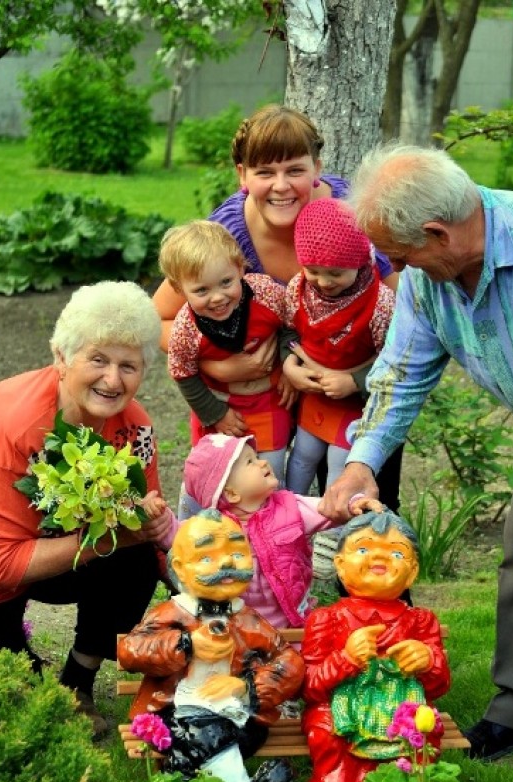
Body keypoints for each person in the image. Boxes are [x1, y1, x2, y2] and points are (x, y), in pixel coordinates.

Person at [320, 141, 513, 782]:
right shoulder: (431, 280)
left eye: (399, 256)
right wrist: (361, 462)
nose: (395, 269)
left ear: (437, 231)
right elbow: (399, 376)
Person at [0, 281, 177, 737]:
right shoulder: (14, 427)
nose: (113, 380)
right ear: (61, 357)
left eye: (128, 366)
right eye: (98, 359)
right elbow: (2, 565)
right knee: (14, 699)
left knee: (135, 559)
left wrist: (198, 594)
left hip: (58, 553)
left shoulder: (133, 426)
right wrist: (107, 539)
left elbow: (150, 531)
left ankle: (79, 680)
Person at [153, 102, 398, 376]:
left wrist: (356, 378)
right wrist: (217, 367)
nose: (281, 186)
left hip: (350, 382)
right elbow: (159, 318)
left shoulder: (356, 214)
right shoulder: (225, 234)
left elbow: (408, 311)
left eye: (294, 170)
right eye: (265, 172)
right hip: (259, 394)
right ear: (242, 174)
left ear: (316, 169)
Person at [117, 508, 305, 782]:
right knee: (199, 733)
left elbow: (290, 662)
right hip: (172, 715)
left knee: (207, 735)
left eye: (237, 552)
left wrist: (246, 686)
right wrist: (186, 644)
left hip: (239, 719)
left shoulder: (249, 621)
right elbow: (131, 650)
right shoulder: (171, 614)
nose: (227, 564)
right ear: (180, 567)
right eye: (207, 558)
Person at [301, 509, 450, 782]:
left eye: (396, 552)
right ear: (339, 564)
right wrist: (346, 660)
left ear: (411, 572)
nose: (379, 559)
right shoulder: (327, 619)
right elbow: (311, 688)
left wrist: (427, 661)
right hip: (345, 709)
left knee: (424, 724)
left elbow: (438, 686)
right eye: (364, 549)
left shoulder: (420, 621)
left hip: (400, 706)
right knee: (324, 725)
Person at [177, 433, 379, 629]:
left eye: (256, 457)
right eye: (250, 462)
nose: (262, 462)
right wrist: (160, 520)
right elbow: (178, 537)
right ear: (231, 493)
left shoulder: (290, 508)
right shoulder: (213, 529)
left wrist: (355, 503)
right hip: (238, 628)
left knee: (301, 660)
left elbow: (328, 508)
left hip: (290, 622)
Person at [283, 196, 404, 510]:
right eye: (313, 270)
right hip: (314, 395)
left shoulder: (380, 305)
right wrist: (289, 362)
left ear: (361, 261)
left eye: (336, 273)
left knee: (342, 464)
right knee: (303, 455)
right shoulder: (298, 288)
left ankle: (334, 527)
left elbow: (394, 359)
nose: (323, 282)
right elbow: (287, 328)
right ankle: (289, 513)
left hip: (353, 405)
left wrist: (355, 380)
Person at [159, 220, 295, 485]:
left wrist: (289, 363)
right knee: (216, 475)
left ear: (240, 268)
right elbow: (182, 372)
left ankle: (276, 520)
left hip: (267, 398)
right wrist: (215, 414)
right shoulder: (185, 328)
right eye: (201, 290)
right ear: (178, 289)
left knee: (271, 471)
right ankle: (211, 522)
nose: (218, 297)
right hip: (217, 403)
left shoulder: (266, 294)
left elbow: (292, 323)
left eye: (226, 282)